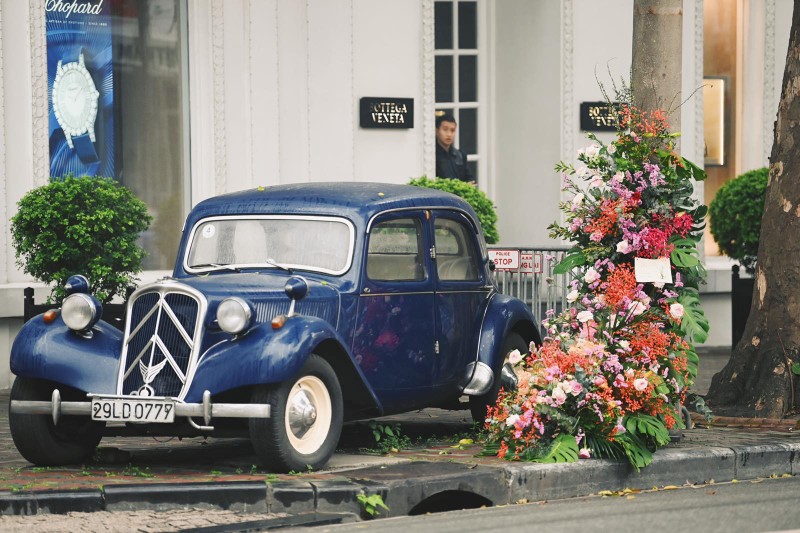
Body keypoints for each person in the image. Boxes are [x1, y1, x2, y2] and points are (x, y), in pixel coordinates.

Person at [435, 113, 475, 184]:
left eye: (452, 130)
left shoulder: (460, 155)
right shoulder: (432, 156)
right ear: (437, 131)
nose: (449, 134)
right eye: (445, 129)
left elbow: (469, 179)